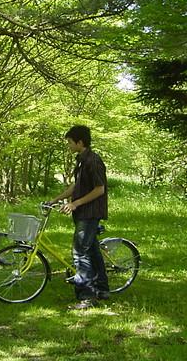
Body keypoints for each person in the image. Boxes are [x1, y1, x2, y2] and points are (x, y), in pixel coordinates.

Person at [46, 125, 109, 310]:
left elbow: (100, 189)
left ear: (80, 142)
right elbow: (76, 186)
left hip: (90, 213)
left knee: (80, 252)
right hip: (82, 212)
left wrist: (75, 203)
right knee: (93, 251)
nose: (69, 145)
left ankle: (86, 297)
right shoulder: (81, 160)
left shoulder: (93, 161)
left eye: (70, 142)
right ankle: (102, 289)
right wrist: (56, 199)